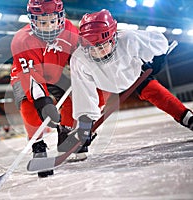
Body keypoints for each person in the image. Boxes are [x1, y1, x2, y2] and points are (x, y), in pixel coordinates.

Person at [66, 9, 193, 151]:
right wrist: (85, 124)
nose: (96, 53)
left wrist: (158, 57)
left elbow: (158, 41)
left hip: (133, 76)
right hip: (102, 84)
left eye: (101, 46)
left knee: (155, 91)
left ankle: (187, 117)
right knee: (94, 103)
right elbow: (84, 93)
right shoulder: (79, 59)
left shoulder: (128, 38)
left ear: (114, 37)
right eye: (91, 48)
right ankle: (81, 136)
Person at [10, 0, 103, 177]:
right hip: (25, 74)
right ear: (32, 20)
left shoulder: (70, 30)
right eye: (42, 22)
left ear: (61, 17)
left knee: (75, 97)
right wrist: (43, 102)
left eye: (53, 21)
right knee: (28, 106)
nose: (49, 27)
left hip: (55, 72)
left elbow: (80, 56)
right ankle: (38, 146)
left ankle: (65, 134)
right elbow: (31, 76)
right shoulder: (21, 40)